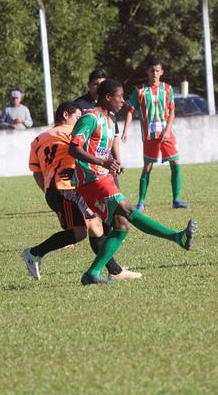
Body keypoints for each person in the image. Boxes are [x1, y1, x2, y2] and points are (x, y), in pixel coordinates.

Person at [69, 79, 197, 285]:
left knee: (122, 226)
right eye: (120, 97)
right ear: (108, 97)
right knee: (127, 209)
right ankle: (177, 237)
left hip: (103, 176)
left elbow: (101, 148)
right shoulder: (90, 118)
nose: (124, 102)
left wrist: (114, 162)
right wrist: (103, 161)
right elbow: (74, 148)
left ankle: (92, 273)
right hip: (90, 179)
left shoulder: (110, 121)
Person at [22, 101, 141, 281]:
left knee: (95, 227)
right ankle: (34, 253)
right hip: (66, 189)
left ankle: (115, 271)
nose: (80, 121)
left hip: (56, 190)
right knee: (79, 233)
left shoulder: (38, 139)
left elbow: (37, 173)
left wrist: (49, 193)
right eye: (78, 117)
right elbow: (85, 152)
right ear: (65, 115)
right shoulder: (72, 133)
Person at [122, 56, 188, 211]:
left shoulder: (167, 89)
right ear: (147, 71)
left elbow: (172, 111)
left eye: (157, 70)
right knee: (147, 167)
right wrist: (126, 130)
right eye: (152, 71)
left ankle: (176, 200)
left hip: (167, 134)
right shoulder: (139, 90)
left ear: (162, 72)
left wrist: (167, 129)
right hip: (150, 135)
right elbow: (130, 111)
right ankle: (141, 203)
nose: (155, 73)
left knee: (176, 165)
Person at [75, 69, 122, 188]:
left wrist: (117, 160)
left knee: (115, 194)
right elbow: (74, 138)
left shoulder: (110, 108)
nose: (99, 87)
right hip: (87, 164)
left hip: (106, 162)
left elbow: (114, 135)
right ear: (89, 85)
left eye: (102, 84)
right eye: (96, 84)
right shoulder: (80, 105)